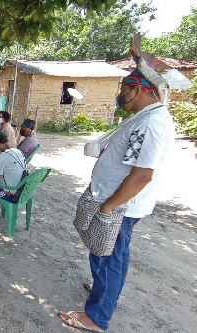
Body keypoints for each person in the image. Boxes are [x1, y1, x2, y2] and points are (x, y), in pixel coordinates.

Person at [58, 64, 176, 331]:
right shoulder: (145, 117)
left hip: (119, 205)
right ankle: (105, 293)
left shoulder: (151, 123)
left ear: (138, 90)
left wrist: (109, 207)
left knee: (106, 259)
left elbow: (142, 174)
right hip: (117, 202)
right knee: (115, 256)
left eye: (123, 90)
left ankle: (96, 316)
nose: (120, 95)